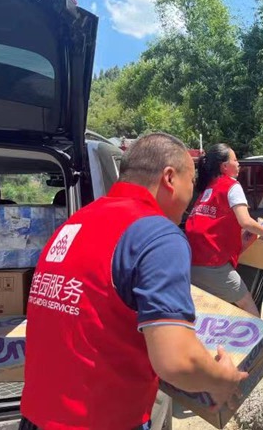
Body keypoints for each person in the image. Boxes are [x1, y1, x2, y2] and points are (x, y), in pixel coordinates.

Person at [20, 134, 247, 430]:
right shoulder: (158, 235)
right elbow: (177, 360)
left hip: (36, 416)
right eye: (191, 181)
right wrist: (222, 380)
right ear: (170, 178)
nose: (192, 193)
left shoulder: (75, 222)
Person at [185, 143, 263, 318]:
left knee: (211, 314)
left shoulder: (209, 189)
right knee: (247, 305)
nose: (239, 164)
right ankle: (261, 337)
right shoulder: (232, 186)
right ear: (224, 166)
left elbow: (214, 227)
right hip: (213, 264)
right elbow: (245, 221)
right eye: (235, 160)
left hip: (192, 264)